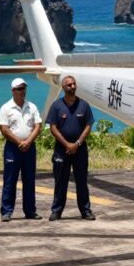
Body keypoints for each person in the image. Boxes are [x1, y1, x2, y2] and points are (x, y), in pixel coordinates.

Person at [47, 75, 96, 221]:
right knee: (60, 181)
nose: (72, 87)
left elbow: (88, 126)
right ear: (63, 88)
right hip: (62, 150)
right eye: (69, 85)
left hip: (80, 150)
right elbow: (53, 127)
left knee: (81, 181)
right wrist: (67, 144)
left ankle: (86, 211)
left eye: (74, 84)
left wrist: (77, 143)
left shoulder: (84, 105)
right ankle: (56, 211)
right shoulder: (56, 105)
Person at [0, 77, 43, 222]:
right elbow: (4, 129)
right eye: (19, 89)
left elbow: (37, 125)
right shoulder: (6, 108)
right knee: (10, 180)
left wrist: (28, 141)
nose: (22, 91)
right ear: (13, 91)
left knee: (29, 180)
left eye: (23, 88)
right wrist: (19, 142)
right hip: (13, 147)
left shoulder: (32, 106)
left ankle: (30, 210)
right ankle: (6, 211)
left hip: (29, 147)